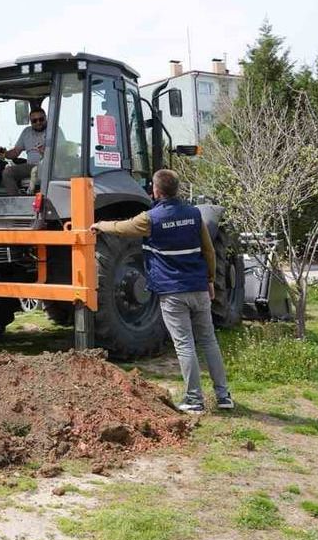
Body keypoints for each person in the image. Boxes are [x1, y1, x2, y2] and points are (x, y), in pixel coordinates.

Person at [91, 169, 233, 413]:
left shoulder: (150, 218)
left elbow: (122, 227)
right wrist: (209, 280)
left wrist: (100, 225)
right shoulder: (194, 215)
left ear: (156, 191)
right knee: (209, 341)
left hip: (172, 293)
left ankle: (194, 400)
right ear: (177, 189)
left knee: (185, 345)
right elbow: (208, 251)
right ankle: (223, 396)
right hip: (198, 289)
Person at [0, 107, 48, 194]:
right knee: (7, 172)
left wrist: (46, 152)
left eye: (41, 119)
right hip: (31, 166)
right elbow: (16, 151)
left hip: (48, 166)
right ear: (31, 122)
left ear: (45, 118)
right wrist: (5, 154)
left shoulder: (53, 130)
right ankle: (15, 201)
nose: (38, 122)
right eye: (34, 121)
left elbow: (62, 151)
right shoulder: (27, 132)